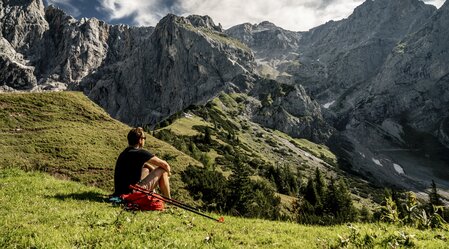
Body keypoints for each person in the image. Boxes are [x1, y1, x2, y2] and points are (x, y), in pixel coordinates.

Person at [113, 127, 171, 198]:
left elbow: (144, 164)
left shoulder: (125, 152)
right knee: (163, 170)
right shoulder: (140, 153)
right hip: (132, 193)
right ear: (140, 140)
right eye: (144, 138)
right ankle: (168, 199)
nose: (144, 140)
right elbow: (165, 164)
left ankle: (153, 195)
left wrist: (152, 169)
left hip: (120, 193)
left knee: (146, 169)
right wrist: (168, 174)